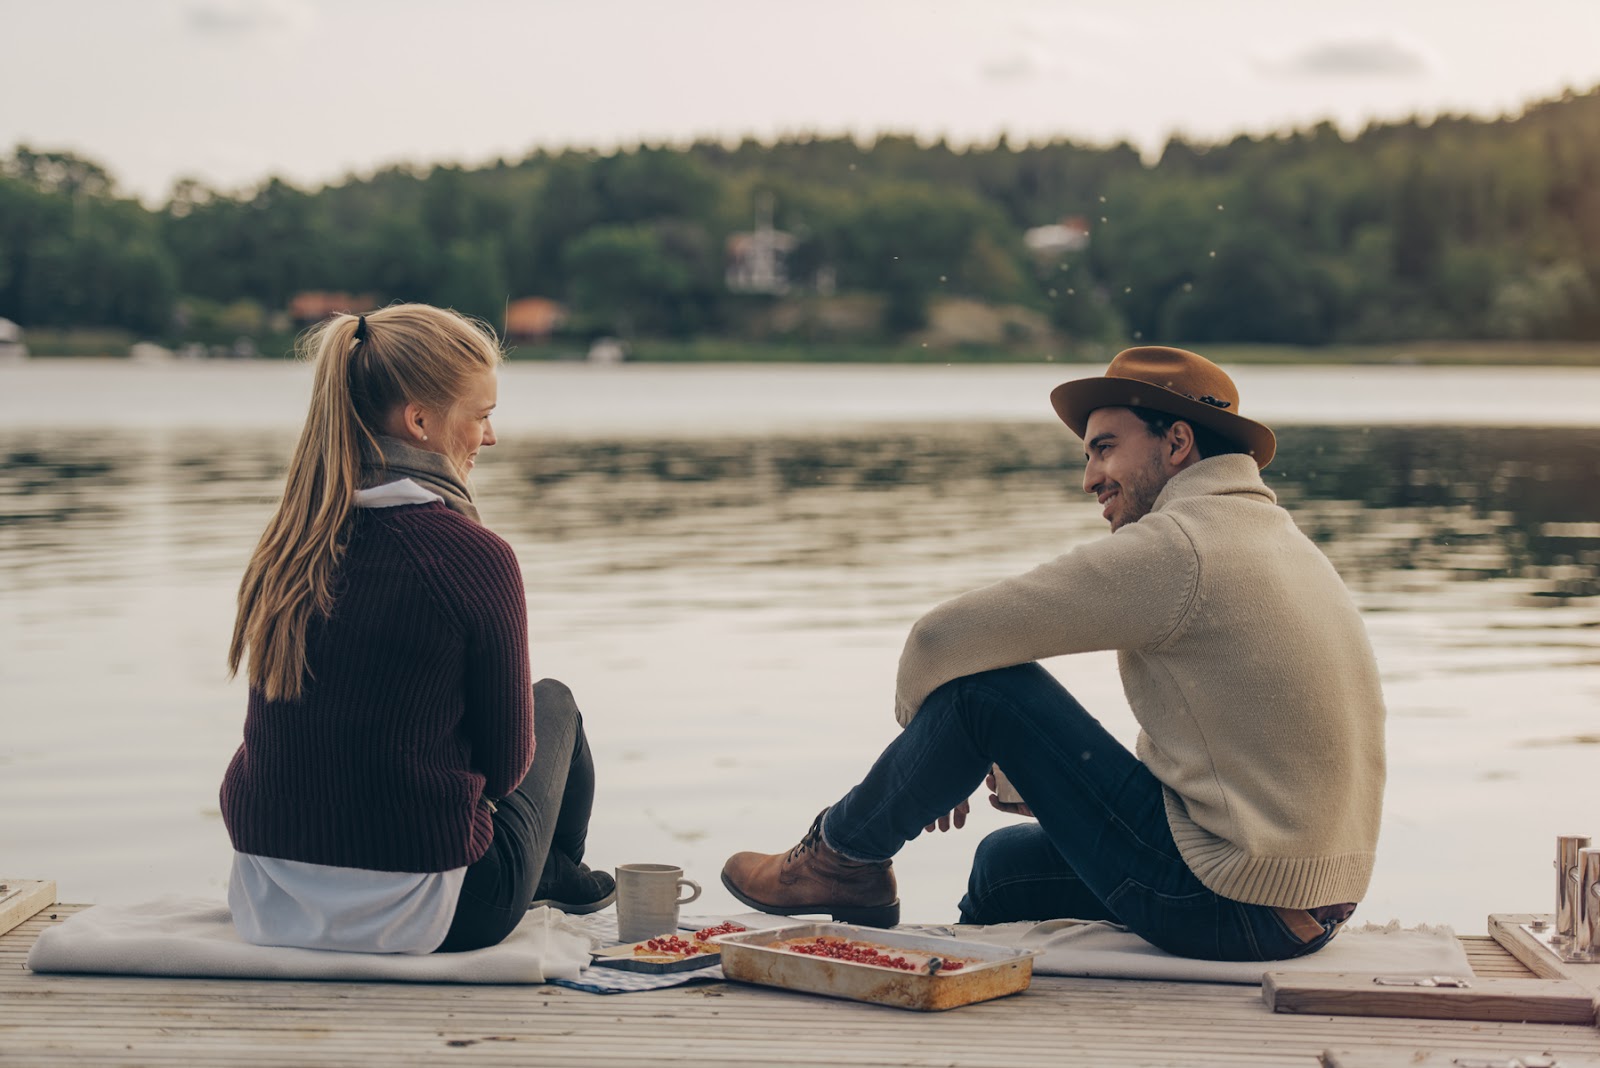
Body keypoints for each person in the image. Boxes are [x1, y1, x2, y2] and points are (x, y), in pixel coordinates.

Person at [722, 346, 1386, 961]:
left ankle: (839, 860)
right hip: (1306, 909)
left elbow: (940, 639)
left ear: (1177, 442)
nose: (1090, 477)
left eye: (1104, 449)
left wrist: (930, 748)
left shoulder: (1181, 545)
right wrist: (983, 761)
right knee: (1003, 866)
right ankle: (973, 979)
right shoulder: (1279, 541)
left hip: (1231, 905)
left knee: (984, 690)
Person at [220, 303, 612, 955]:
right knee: (555, 703)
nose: (490, 439)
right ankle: (555, 874)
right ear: (421, 421)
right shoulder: (470, 554)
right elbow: (508, 766)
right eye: (482, 415)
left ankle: (550, 873)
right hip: (434, 914)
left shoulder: (289, 541)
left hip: (269, 899)